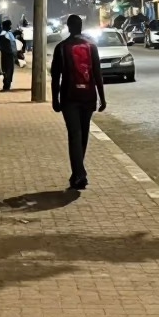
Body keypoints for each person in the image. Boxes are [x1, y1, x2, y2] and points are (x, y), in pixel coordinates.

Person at [50, 14, 106, 190]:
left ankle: (79, 174)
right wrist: (102, 98)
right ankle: (78, 174)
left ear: (68, 27)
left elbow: (55, 77)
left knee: (74, 135)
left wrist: (55, 99)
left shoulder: (61, 47)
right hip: (88, 96)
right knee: (83, 135)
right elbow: (97, 74)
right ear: (81, 27)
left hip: (69, 97)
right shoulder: (91, 47)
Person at [0, 19, 17, 91]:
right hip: (9, 55)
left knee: (7, 70)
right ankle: (7, 85)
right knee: (9, 70)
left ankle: (7, 85)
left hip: (7, 55)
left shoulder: (3, 34)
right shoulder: (8, 34)